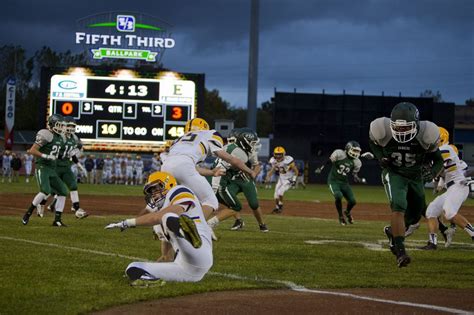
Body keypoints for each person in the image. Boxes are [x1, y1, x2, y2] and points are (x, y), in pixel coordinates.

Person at [105, 171, 212, 286]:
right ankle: (152, 281)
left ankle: (191, 237)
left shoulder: (178, 190)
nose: (154, 194)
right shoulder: (159, 216)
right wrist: (158, 267)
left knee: (168, 217)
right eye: (151, 191)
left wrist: (127, 223)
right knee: (133, 268)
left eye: (156, 189)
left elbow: (162, 216)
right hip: (186, 268)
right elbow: (167, 256)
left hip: (201, 250)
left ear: (168, 184)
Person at [369, 102, 443, 267]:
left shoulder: (427, 133)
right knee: (399, 206)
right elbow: (373, 143)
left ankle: (391, 232)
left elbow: (438, 160)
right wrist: (381, 157)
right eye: (398, 127)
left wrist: (432, 173)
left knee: (415, 215)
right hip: (395, 174)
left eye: (406, 127)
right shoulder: (382, 129)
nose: (401, 131)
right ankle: (400, 251)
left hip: (416, 177)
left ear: (416, 124)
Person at [161, 118, 258, 219]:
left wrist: (211, 172)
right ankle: (197, 227)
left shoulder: (178, 140)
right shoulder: (210, 134)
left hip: (165, 168)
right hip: (185, 167)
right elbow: (231, 159)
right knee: (210, 201)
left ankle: (163, 226)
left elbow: (185, 166)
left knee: (171, 201)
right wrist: (250, 171)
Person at [420, 127, 474, 249]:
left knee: (449, 213)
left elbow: (435, 163)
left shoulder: (446, 149)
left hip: (459, 185)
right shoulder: (439, 151)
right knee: (431, 211)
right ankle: (432, 243)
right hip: (451, 188)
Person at [207, 128, 269, 233]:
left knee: (253, 204)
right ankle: (237, 220)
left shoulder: (247, 150)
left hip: (244, 179)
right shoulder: (236, 150)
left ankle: (262, 224)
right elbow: (234, 163)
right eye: (230, 140)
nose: (231, 143)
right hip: (230, 179)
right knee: (231, 202)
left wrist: (253, 174)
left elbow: (256, 165)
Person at [22, 114, 69, 226]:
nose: (61, 127)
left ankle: (57, 220)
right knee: (45, 190)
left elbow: (57, 153)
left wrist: (69, 155)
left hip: (52, 168)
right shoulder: (46, 134)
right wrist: (46, 156)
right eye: (59, 125)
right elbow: (32, 150)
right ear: (52, 124)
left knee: (63, 191)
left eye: (62, 125)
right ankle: (28, 213)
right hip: (42, 167)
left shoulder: (61, 138)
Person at [315, 141, 371, 225]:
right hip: (333, 181)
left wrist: (358, 179)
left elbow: (354, 175)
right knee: (338, 196)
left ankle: (347, 212)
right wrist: (320, 168)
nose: (356, 153)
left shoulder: (357, 162)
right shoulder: (339, 153)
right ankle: (341, 216)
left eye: (357, 151)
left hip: (344, 183)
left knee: (352, 201)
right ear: (348, 148)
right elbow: (329, 161)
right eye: (354, 150)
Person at [46, 116, 88, 219]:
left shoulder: (74, 138)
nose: (71, 128)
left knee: (73, 186)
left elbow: (72, 154)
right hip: (56, 165)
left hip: (66, 166)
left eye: (72, 126)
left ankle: (77, 209)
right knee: (52, 190)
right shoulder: (59, 137)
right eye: (68, 125)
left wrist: (79, 165)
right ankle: (42, 203)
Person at [265, 146, 299, 214]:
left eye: (280, 154)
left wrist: (294, 179)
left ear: (283, 154)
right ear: (274, 154)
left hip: (289, 179)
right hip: (281, 178)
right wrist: (268, 176)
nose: (278, 156)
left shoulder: (288, 160)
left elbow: (296, 171)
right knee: (275, 196)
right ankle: (277, 208)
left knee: (280, 192)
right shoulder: (273, 161)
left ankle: (280, 206)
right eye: (277, 154)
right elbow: (273, 169)